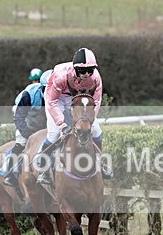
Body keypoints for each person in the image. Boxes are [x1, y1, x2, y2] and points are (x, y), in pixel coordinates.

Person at [35, 47, 112, 186]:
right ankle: (44, 169)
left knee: (96, 131)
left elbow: (96, 101)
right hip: (56, 99)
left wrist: (90, 121)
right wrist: (62, 124)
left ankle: (99, 162)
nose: (86, 74)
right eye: (83, 71)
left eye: (90, 70)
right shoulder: (60, 76)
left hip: (77, 98)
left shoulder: (95, 78)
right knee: (54, 134)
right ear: (76, 69)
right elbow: (51, 102)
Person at [0, 69, 51, 188]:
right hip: (27, 126)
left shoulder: (60, 93)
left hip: (47, 127)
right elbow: (18, 118)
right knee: (21, 144)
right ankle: (10, 174)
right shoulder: (29, 94)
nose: (51, 92)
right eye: (48, 89)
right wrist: (28, 135)